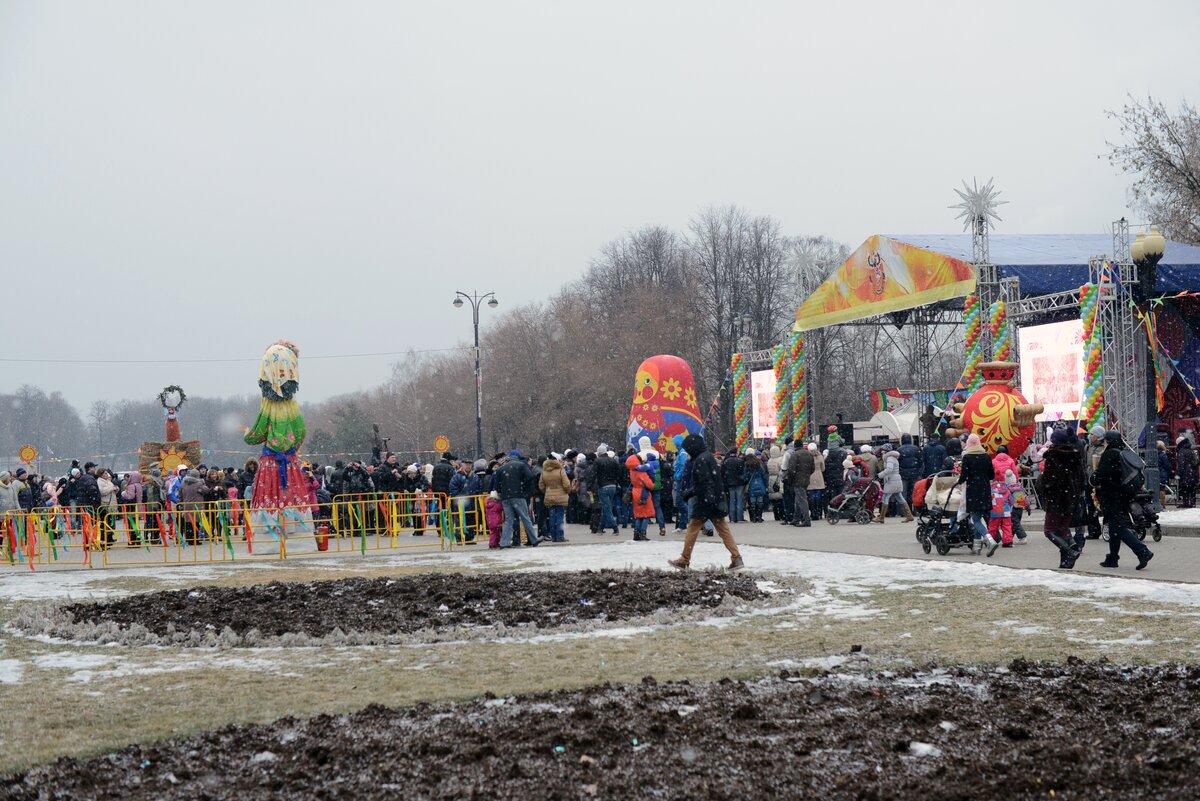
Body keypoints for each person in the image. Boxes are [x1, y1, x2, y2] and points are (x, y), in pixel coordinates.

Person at [668, 433, 743, 571]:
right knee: (724, 530)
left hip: (705, 501)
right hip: (716, 499)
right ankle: (736, 558)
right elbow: (710, 480)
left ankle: (684, 559)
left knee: (692, 529)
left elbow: (704, 483)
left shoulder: (700, 460)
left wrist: (691, 493)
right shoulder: (708, 457)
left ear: (693, 448)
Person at [1093, 430, 1153, 570]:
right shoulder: (1123, 452)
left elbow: (1102, 475)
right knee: (1114, 527)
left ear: (1108, 441)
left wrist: (1094, 478)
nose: (1104, 443)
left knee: (1119, 528)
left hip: (1111, 496)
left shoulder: (1109, 454)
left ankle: (1142, 551)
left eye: (1105, 441)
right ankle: (1112, 558)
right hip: (1123, 495)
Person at [1036, 427, 1083, 568]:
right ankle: (1065, 562)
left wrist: (1041, 482)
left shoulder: (1053, 456)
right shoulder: (1075, 456)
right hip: (1071, 498)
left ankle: (1070, 553)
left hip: (1056, 499)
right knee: (1062, 529)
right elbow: (1081, 477)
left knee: (1049, 530)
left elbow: (1049, 480)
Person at [955, 433, 996, 555]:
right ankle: (977, 547)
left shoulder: (967, 457)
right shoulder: (986, 456)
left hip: (973, 490)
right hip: (985, 490)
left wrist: (959, 481)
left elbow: (964, 476)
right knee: (980, 517)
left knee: (976, 519)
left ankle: (989, 540)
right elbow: (992, 475)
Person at [495, 450, 538, 548]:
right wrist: (525, 490)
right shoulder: (521, 466)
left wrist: (502, 492)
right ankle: (533, 539)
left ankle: (504, 542)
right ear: (518, 457)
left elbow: (496, 486)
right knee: (525, 518)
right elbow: (530, 477)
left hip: (505, 497)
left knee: (508, 520)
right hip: (518, 495)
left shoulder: (501, 469)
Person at [539, 454, 571, 543]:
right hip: (561, 496)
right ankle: (560, 536)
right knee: (560, 517)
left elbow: (541, 485)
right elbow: (566, 484)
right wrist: (567, 491)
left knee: (552, 516)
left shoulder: (544, 471)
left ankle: (553, 536)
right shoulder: (560, 470)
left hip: (549, 496)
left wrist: (547, 492)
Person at [876, 448, 914, 523]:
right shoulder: (892, 457)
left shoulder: (889, 458)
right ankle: (909, 516)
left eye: (883, 450)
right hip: (895, 480)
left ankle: (881, 517)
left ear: (886, 451)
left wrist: (879, 475)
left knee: (885, 497)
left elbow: (889, 469)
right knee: (900, 497)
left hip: (891, 480)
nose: (881, 451)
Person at [625, 453, 655, 541]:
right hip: (642, 493)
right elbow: (649, 484)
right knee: (646, 515)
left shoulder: (631, 471)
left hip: (635, 492)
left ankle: (636, 533)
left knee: (638, 515)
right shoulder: (641, 472)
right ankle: (642, 533)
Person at [785, 440, 814, 527]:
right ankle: (796, 518)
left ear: (795, 446)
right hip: (806, 479)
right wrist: (806, 474)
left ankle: (806, 520)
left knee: (802, 500)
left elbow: (791, 470)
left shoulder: (795, 455)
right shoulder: (809, 454)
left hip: (797, 480)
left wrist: (790, 480)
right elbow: (813, 468)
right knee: (798, 499)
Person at [594, 444, 621, 534]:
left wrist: (589, 486)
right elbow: (618, 472)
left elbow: (593, 474)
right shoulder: (613, 461)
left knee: (607, 508)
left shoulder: (597, 461)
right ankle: (601, 527)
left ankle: (615, 527)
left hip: (603, 486)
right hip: (612, 486)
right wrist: (616, 482)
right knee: (606, 507)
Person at [987, 471, 1015, 549]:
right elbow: (1011, 501)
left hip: (995, 511)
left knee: (993, 527)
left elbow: (988, 500)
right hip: (1006, 511)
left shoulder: (991, 489)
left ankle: (990, 541)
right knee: (1007, 526)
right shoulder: (1006, 489)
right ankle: (1007, 541)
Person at [721, 448, 746, 523]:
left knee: (732, 500)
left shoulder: (726, 461)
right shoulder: (740, 461)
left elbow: (723, 473)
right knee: (739, 500)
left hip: (730, 483)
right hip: (739, 482)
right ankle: (739, 517)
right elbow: (743, 472)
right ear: (736, 453)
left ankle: (732, 518)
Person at [745, 450, 769, 523]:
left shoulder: (747, 466)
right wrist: (766, 485)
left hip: (752, 485)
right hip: (760, 484)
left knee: (752, 502)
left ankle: (754, 517)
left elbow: (745, 477)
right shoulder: (759, 465)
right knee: (760, 501)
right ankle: (759, 517)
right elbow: (764, 476)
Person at [897, 434, 922, 503]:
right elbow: (921, 461)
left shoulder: (899, 450)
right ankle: (915, 507)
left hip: (903, 475)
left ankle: (904, 508)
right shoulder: (916, 449)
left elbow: (897, 463)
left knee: (903, 494)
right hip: (915, 474)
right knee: (915, 492)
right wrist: (919, 472)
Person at [806, 444, 826, 521]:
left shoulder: (807, 457)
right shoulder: (820, 456)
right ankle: (818, 512)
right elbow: (823, 468)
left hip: (810, 476)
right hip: (818, 476)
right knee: (818, 496)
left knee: (811, 496)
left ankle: (812, 512)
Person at [1176, 437, 1198, 509]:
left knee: (1185, 488)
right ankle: (1193, 503)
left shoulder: (1181, 451)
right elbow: (1195, 462)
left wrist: (1178, 474)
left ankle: (1186, 503)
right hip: (1192, 472)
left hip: (1185, 473)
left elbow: (1181, 465)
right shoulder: (1190, 450)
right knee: (1192, 489)